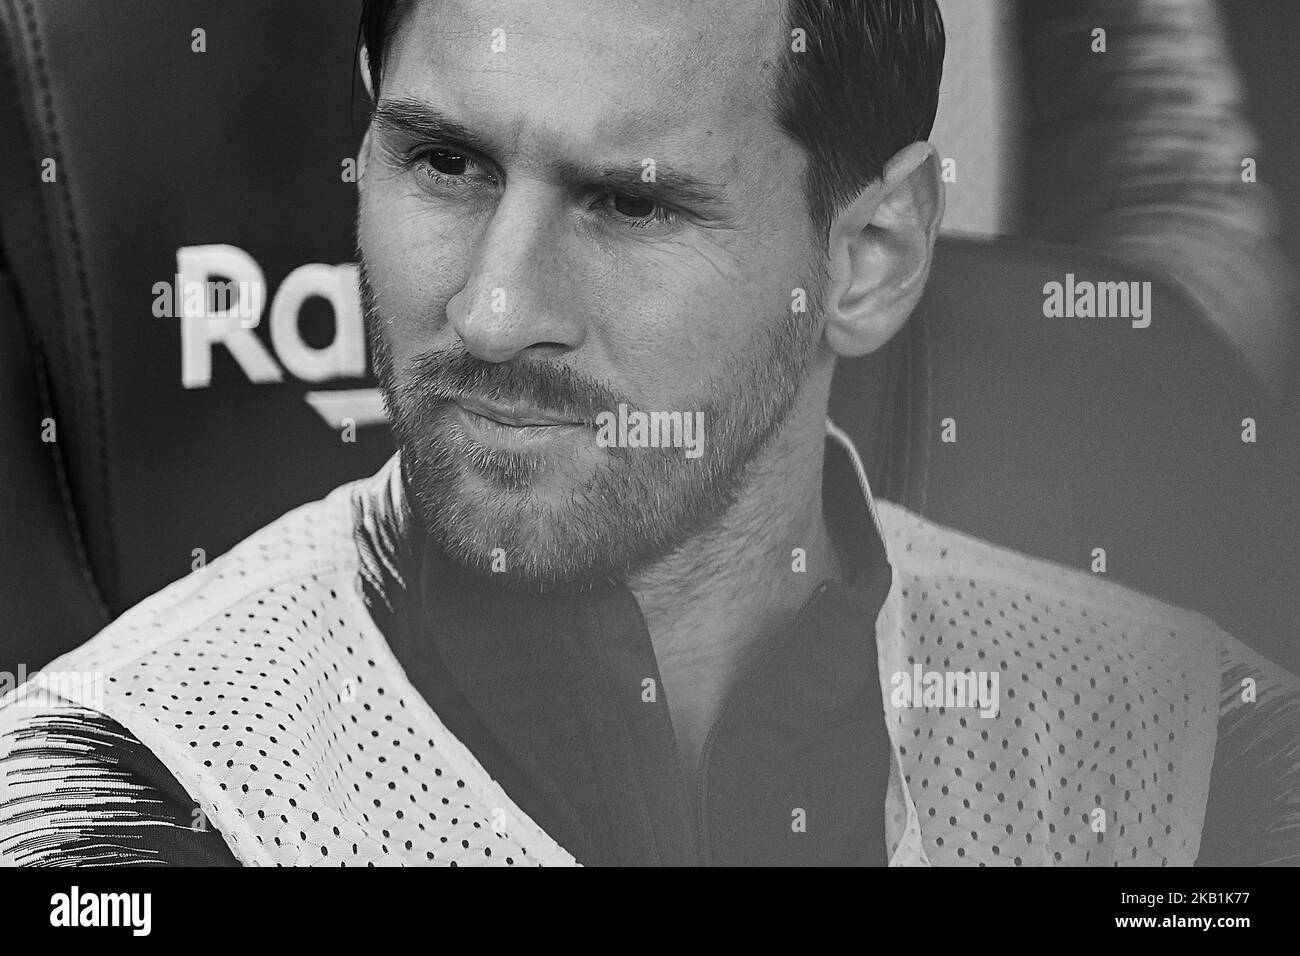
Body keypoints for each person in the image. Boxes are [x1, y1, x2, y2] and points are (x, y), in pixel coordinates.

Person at [0, 0, 1295, 867]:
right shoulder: (110, 788)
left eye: (630, 204)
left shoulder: (1200, 752)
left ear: (870, 258)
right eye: (444, 164)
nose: (495, 311)